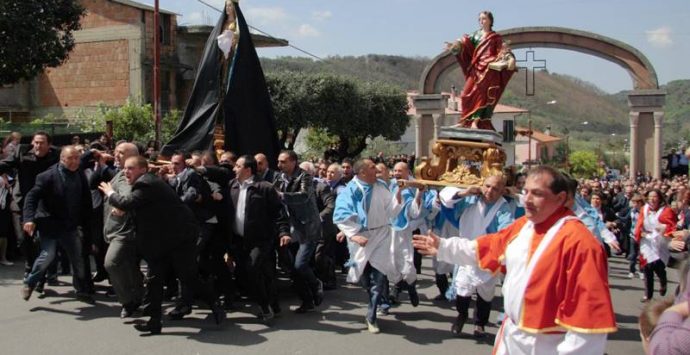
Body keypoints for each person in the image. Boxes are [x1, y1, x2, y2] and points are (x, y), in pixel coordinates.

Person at [413, 166, 616, 353]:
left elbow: (589, 319)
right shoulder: (523, 226)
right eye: (525, 191)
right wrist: (443, 246)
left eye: (536, 194)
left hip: (546, 344)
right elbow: (486, 247)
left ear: (561, 198)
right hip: (511, 337)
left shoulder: (580, 243)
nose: (526, 199)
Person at [98, 156, 225, 334]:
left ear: (143, 170)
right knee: (154, 280)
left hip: (178, 239)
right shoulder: (144, 183)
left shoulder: (146, 183)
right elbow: (139, 207)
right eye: (125, 168)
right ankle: (154, 322)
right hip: (158, 241)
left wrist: (111, 193)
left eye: (131, 168)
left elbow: (128, 202)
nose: (126, 172)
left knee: (188, 277)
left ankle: (213, 303)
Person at [333, 158, 403, 334]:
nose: (376, 170)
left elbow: (392, 209)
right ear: (363, 172)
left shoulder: (381, 185)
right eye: (372, 167)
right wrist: (354, 235)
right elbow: (340, 214)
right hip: (361, 237)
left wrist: (400, 192)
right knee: (364, 278)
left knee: (378, 279)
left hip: (381, 235)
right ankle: (372, 299)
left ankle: (371, 316)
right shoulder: (351, 190)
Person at [439, 175, 513, 337]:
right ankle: (462, 315)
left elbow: (506, 227)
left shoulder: (503, 207)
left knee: (485, 293)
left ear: (502, 191)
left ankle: (480, 324)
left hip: (488, 254)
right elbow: (446, 197)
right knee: (462, 288)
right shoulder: (470, 200)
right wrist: (464, 193)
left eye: (495, 189)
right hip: (467, 250)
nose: (490, 191)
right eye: (487, 186)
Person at [21, 146, 94, 303]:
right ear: (62, 159)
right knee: (48, 256)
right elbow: (31, 197)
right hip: (50, 224)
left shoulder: (79, 173)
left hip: (70, 225)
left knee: (78, 258)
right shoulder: (47, 177)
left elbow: (86, 200)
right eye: (71, 158)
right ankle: (30, 282)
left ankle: (81, 290)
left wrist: (88, 224)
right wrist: (29, 219)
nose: (75, 161)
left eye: (77, 158)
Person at [227, 155, 291, 321]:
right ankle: (274, 305)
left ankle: (265, 308)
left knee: (253, 268)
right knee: (262, 273)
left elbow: (279, 213)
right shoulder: (232, 185)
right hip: (239, 240)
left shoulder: (264, 188)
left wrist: (284, 232)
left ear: (248, 170)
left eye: (238, 166)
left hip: (261, 240)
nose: (234, 169)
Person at [445, 11, 515, 130]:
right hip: (476, 68)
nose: (481, 21)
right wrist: (456, 45)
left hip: (489, 69)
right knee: (465, 94)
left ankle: (475, 122)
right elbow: (463, 41)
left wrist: (509, 57)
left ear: (490, 20)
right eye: (480, 19)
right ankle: (464, 121)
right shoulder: (475, 35)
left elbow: (503, 50)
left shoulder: (495, 38)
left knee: (483, 95)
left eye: (484, 19)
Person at [275, 150, 324, 313]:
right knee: (292, 269)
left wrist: (281, 195)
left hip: (307, 227)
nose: (279, 165)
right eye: (279, 161)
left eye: (283, 162)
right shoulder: (278, 177)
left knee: (300, 264)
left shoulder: (305, 177)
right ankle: (307, 300)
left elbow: (303, 196)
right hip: (289, 227)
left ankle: (316, 283)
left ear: (293, 162)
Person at [635, 189, 677, 302]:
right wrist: (640, 232)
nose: (652, 199)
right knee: (647, 267)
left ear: (659, 198)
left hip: (660, 240)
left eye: (655, 197)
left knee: (657, 265)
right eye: (650, 197)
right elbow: (639, 223)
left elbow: (672, 225)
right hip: (646, 241)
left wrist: (663, 228)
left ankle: (663, 280)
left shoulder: (666, 210)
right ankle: (648, 295)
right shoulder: (644, 209)